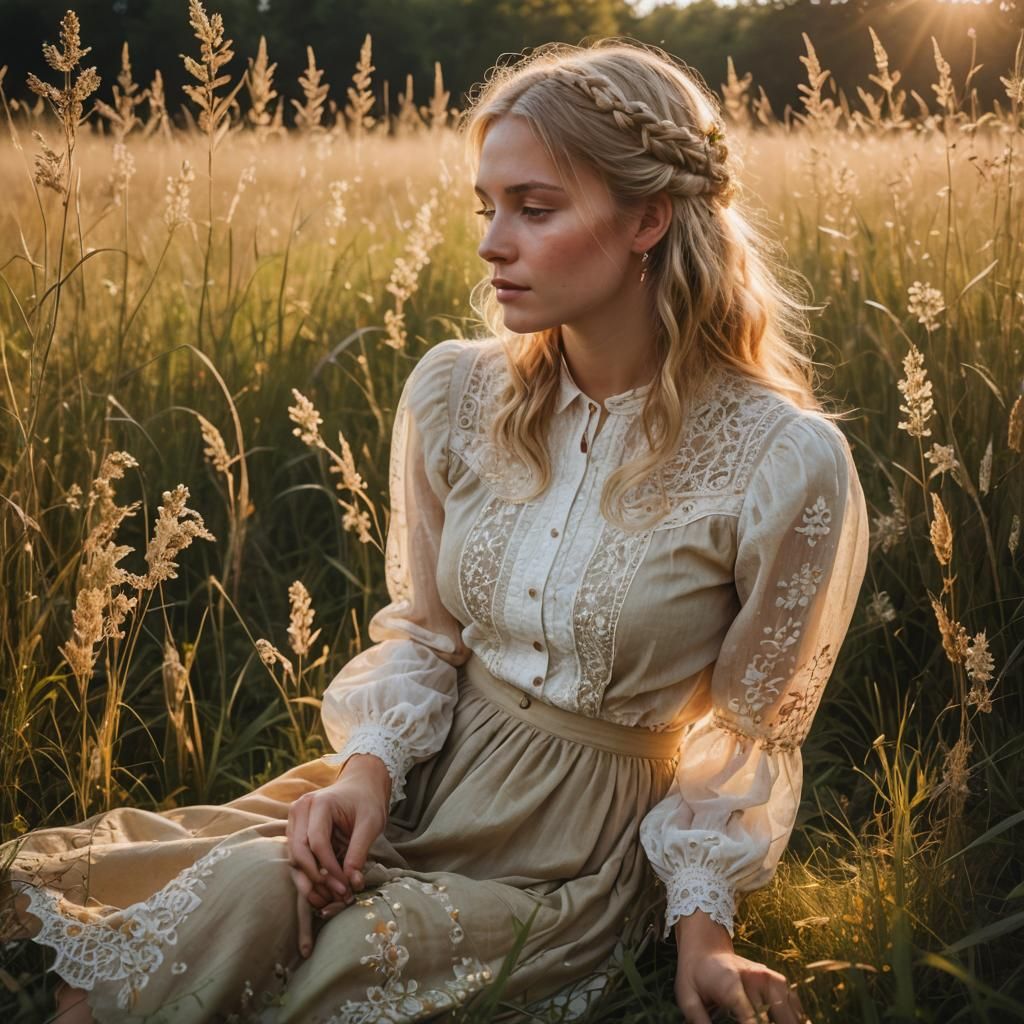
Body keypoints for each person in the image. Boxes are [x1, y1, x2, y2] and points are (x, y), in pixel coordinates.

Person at [1, 38, 869, 1024]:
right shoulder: (458, 392)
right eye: (486, 207)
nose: (494, 243)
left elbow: (747, 736)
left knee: (336, 958)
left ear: (647, 218)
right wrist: (366, 771)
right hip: (430, 771)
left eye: (534, 208)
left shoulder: (780, 459)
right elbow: (425, 633)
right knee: (245, 886)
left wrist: (703, 934)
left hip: (577, 848)